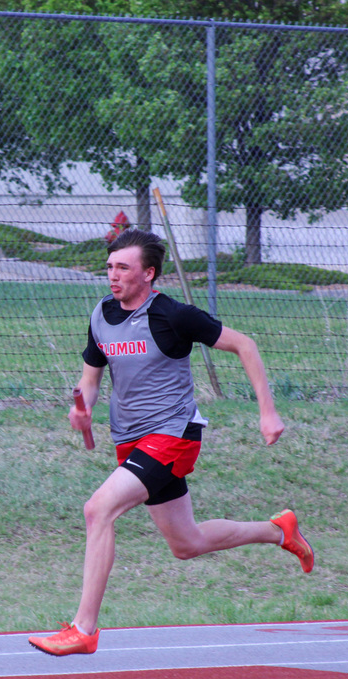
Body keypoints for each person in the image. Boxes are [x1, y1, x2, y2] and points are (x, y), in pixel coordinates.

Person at [28, 228, 313, 657]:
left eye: (123, 267)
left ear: (149, 273)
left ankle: (84, 629)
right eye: (109, 267)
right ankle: (279, 531)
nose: (113, 275)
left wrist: (268, 412)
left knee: (98, 509)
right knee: (187, 544)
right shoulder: (101, 315)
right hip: (131, 441)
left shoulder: (173, 316)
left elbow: (245, 346)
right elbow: (90, 381)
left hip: (173, 434)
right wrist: (82, 407)